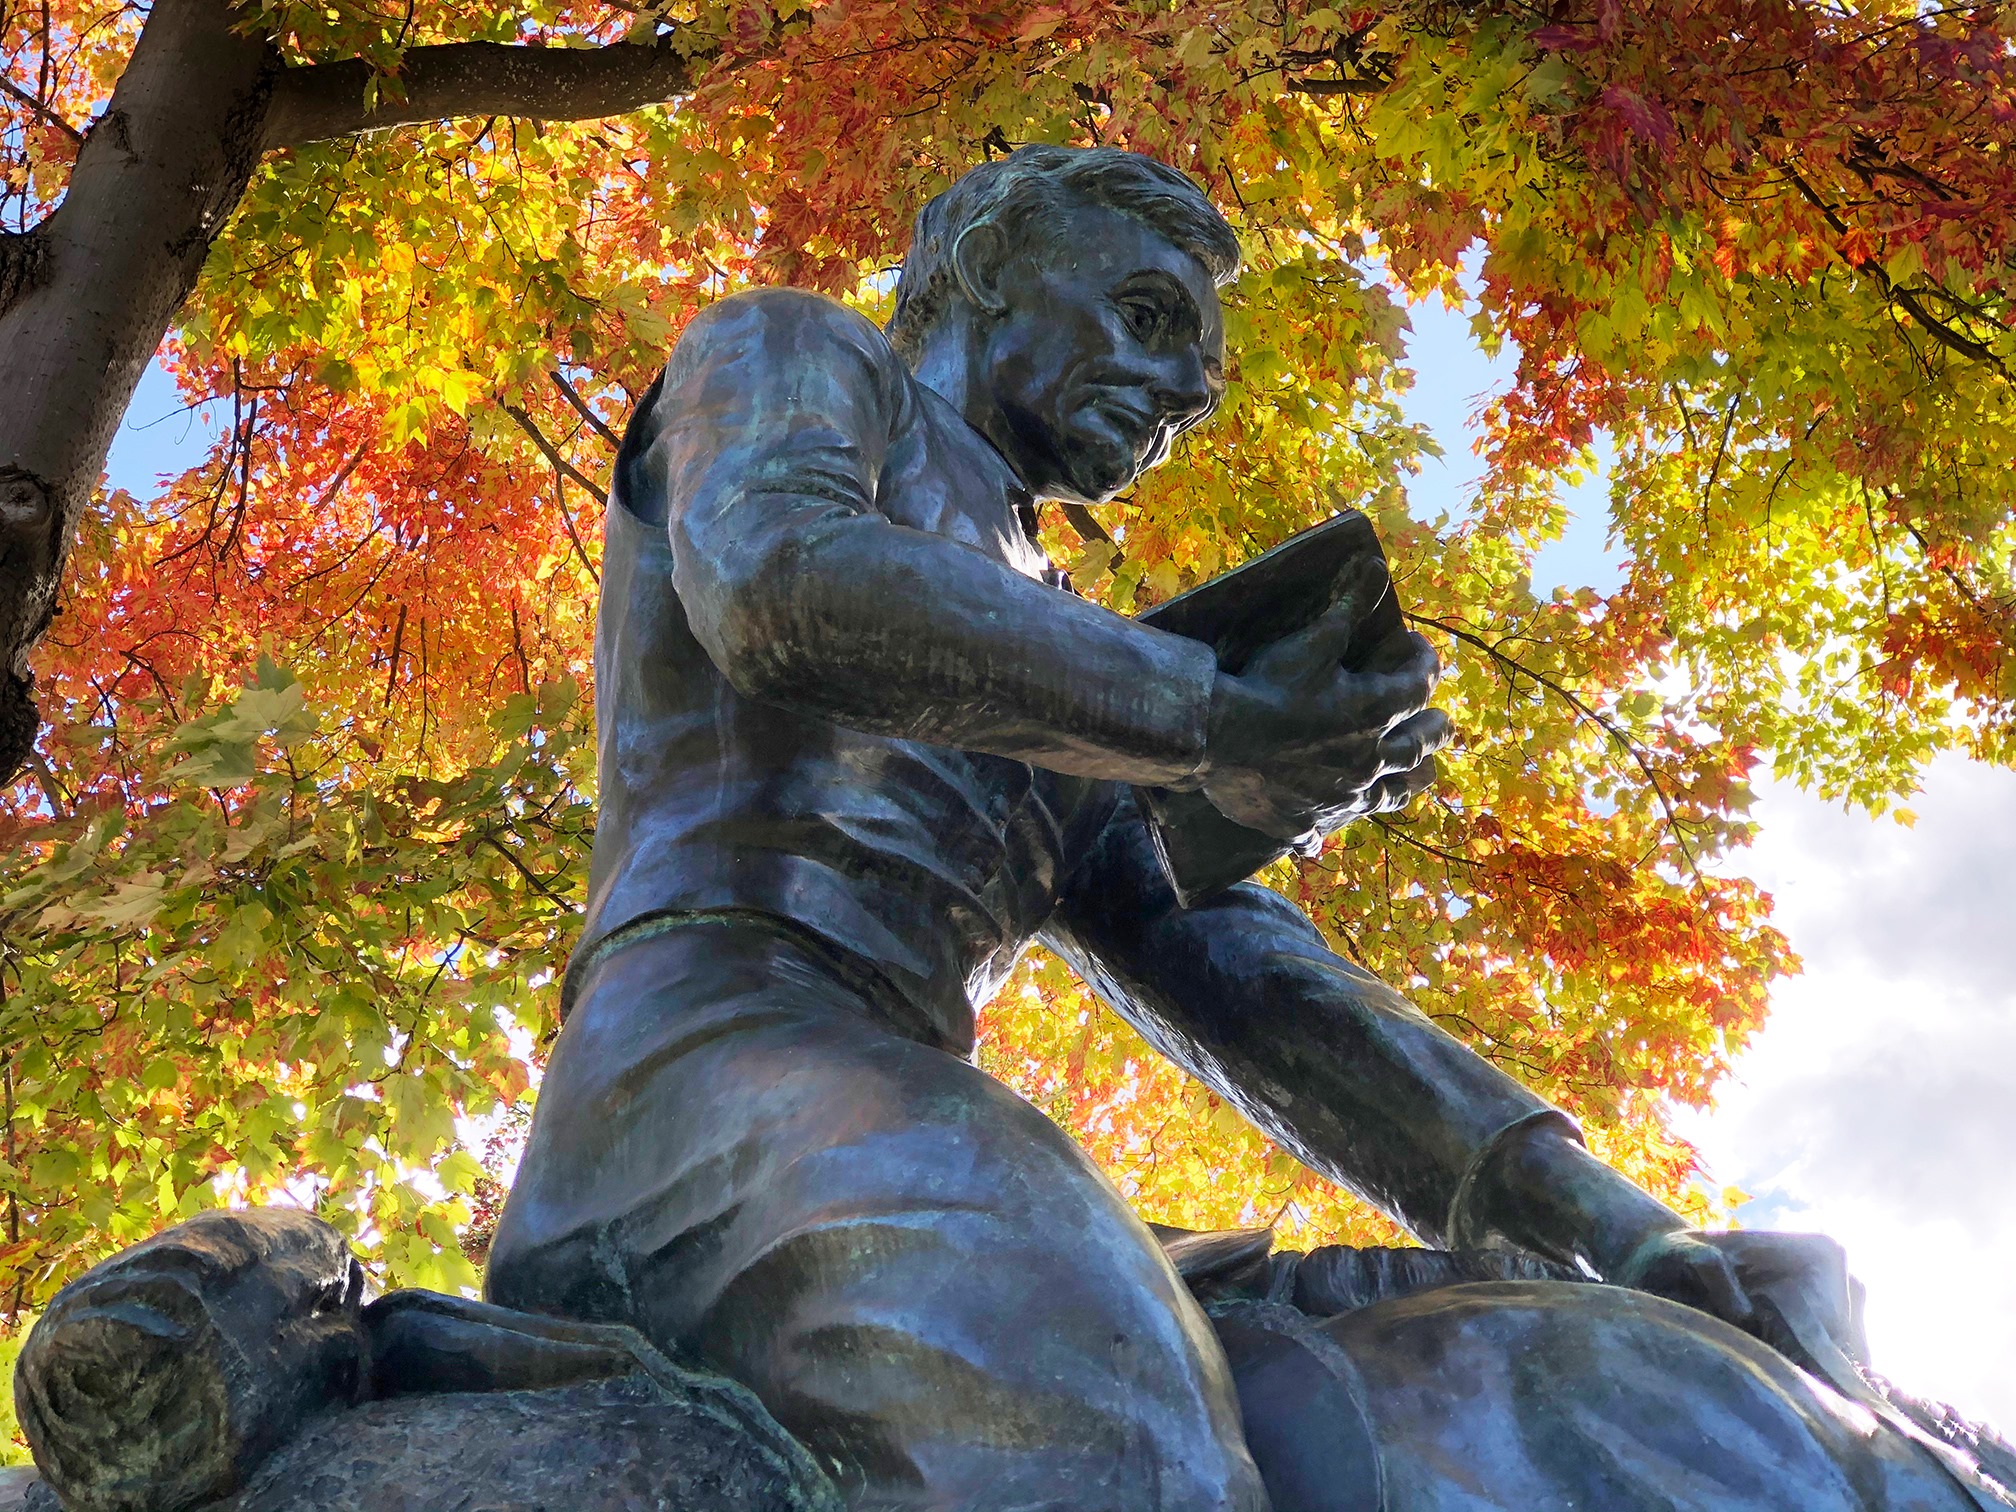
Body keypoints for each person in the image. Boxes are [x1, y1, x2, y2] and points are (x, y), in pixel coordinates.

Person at [484, 145, 1879, 1511]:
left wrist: (1626, 1232)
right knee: (1112, 1434)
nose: (1169, 395)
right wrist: (1205, 712)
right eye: (1144, 320)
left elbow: (1240, 974)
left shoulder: (1055, 656)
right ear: (988, 264)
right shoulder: (797, 354)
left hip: (880, 1111)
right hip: (691, 1075)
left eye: (1193, 392)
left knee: (1439, 1375)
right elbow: (780, 580)